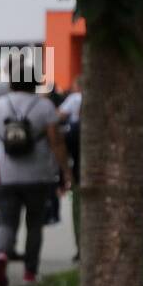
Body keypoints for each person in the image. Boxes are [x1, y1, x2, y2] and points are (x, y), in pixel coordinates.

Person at [0, 74, 72, 286]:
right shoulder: (45, 106)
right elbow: (56, 141)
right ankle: (30, 272)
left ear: (11, 83)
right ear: (35, 84)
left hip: (3, 173)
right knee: (34, 224)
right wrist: (66, 171)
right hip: (38, 174)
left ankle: (1, 254)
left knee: (6, 221)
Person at [58, 78, 83, 261]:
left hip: (80, 175)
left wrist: (64, 177)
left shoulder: (74, 130)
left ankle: (82, 247)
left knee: (79, 213)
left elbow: (65, 155)